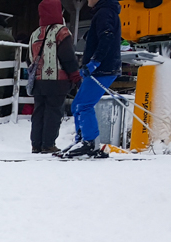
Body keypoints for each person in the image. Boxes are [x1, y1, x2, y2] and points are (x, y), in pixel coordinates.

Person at [59, 0, 121, 158]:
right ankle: (82, 140)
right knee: (77, 105)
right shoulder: (104, 12)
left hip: (103, 69)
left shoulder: (104, 12)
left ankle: (90, 143)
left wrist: (95, 62)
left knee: (84, 105)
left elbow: (107, 37)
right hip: (99, 68)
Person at [29, 0, 81, 153]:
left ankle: (36, 144)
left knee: (39, 112)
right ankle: (48, 144)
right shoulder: (62, 32)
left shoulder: (35, 33)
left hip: (38, 81)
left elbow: (28, 59)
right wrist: (75, 76)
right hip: (57, 81)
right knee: (53, 112)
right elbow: (68, 57)